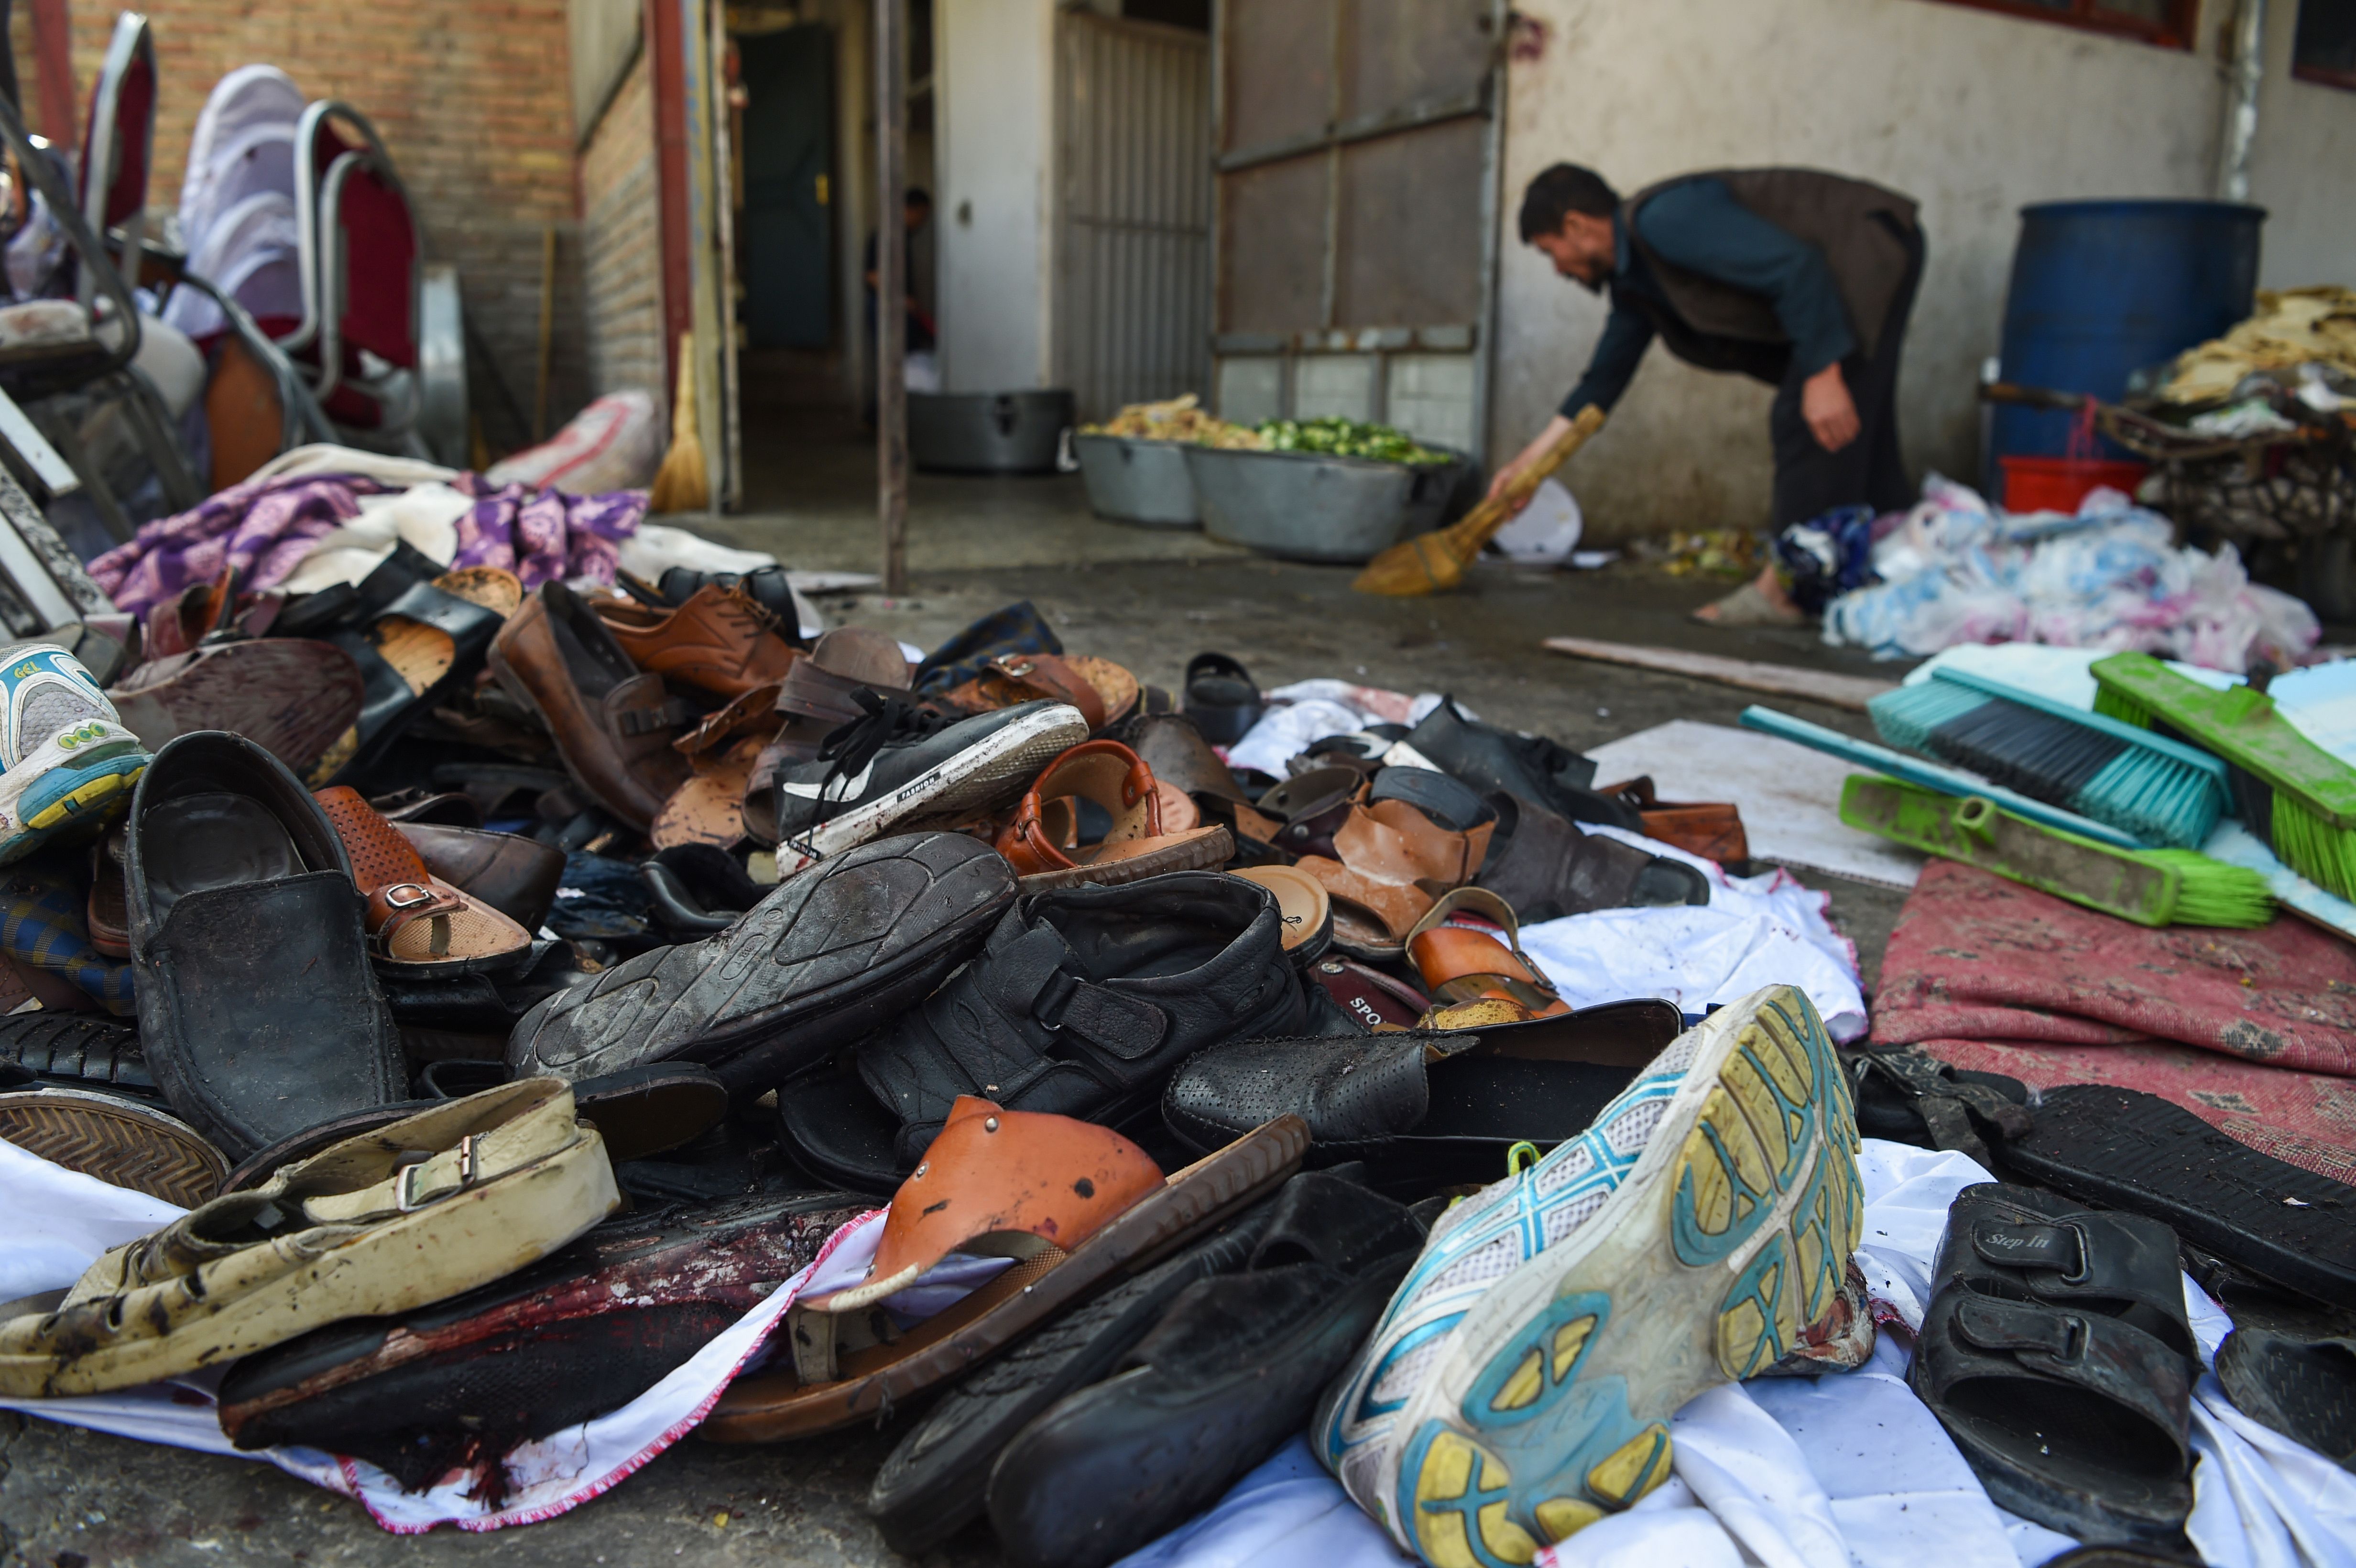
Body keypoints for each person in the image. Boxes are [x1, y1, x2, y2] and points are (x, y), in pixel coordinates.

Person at [1493, 163, 1924, 622]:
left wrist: (1821, 372)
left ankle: (1785, 592)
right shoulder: (1637, 285)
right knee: (1857, 426)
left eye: (1550, 251)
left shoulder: (1665, 220)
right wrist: (1529, 468)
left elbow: (1795, 265)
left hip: (1864, 247)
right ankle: (1906, 556)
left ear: (1576, 226)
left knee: (1807, 418)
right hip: (1861, 259)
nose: (1559, 269)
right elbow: (1601, 383)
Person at [863, 186, 935, 356]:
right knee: (893, 359)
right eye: (922, 215)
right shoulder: (886, 236)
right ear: (910, 210)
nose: (923, 221)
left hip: (900, 308)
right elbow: (873, 276)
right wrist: (902, 299)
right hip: (886, 308)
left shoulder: (904, 236)